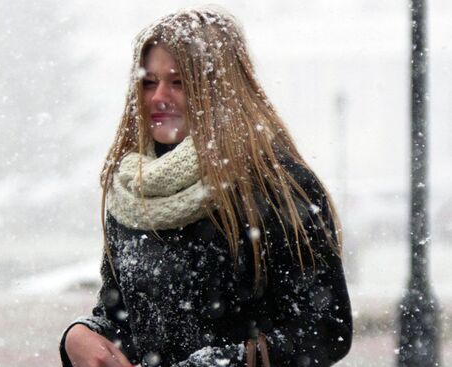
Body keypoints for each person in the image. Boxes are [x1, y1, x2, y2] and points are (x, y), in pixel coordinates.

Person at [60, 6, 352, 367]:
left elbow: (326, 330)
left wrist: (219, 362)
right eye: (149, 82)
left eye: (179, 82)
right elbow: (122, 318)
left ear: (220, 90)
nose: (158, 97)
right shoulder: (133, 190)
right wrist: (81, 335)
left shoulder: (279, 187)